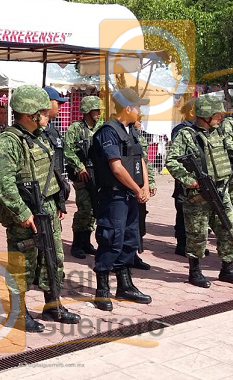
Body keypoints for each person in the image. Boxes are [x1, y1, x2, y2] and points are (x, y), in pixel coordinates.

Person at [0, 84, 81, 332]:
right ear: (31, 115)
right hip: (26, 214)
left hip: (47, 210)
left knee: (53, 258)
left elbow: (52, 174)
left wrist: (58, 202)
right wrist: (22, 213)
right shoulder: (8, 142)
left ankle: (53, 304)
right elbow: (2, 182)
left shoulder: (39, 137)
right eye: (42, 111)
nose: (47, 114)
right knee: (23, 264)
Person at [166, 96, 233, 288]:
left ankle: (227, 269)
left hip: (220, 190)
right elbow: (172, 161)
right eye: (217, 115)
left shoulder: (218, 133)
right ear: (205, 115)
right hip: (198, 194)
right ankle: (195, 272)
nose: (220, 118)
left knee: (229, 229)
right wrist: (190, 181)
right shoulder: (186, 135)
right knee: (197, 234)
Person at [89, 88, 152, 311]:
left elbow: (140, 159)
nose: (140, 111)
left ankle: (125, 285)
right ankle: (102, 290)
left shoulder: (130, 131)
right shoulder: (108, 131)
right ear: (127, 108)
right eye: (138, 107)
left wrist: (144, 185)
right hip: (114, 194)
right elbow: (116, 167)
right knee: (111, 239)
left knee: (130, 239)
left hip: (131, 195)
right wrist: (137, 189)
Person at [64, 96, 101, 259]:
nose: (99, 113)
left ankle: (87, 242)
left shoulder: (101, 127)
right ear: (87, 111)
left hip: (97, 175)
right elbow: (68, 150)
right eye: (95, 110)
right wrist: (79, 167)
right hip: (82, 176)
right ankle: (77, 244)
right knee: (84, 209)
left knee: (94, 210)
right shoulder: (76, 128)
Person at [171, 98, 196, 257]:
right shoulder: (182, 129)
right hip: (185, 178)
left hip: (196, 179)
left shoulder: (197, 129)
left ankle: (192, 244)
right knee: (182, 210)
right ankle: (182, 244)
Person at [42, 86, 71, 213]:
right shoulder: (34, 133)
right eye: (58, 103)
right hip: (41, 195)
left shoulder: (54, 131)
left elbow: (58, 168)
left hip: (55, 193)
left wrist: (60, 200)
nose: (60, 107)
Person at [133, 117, 155, 270]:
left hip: (142, 183)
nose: (140, 122)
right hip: (130, 184)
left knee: (140, 218)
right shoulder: (120, 135)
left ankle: (135, 253)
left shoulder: (140, 138)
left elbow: (146, 162)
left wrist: (150, 182)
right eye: (138, 120)